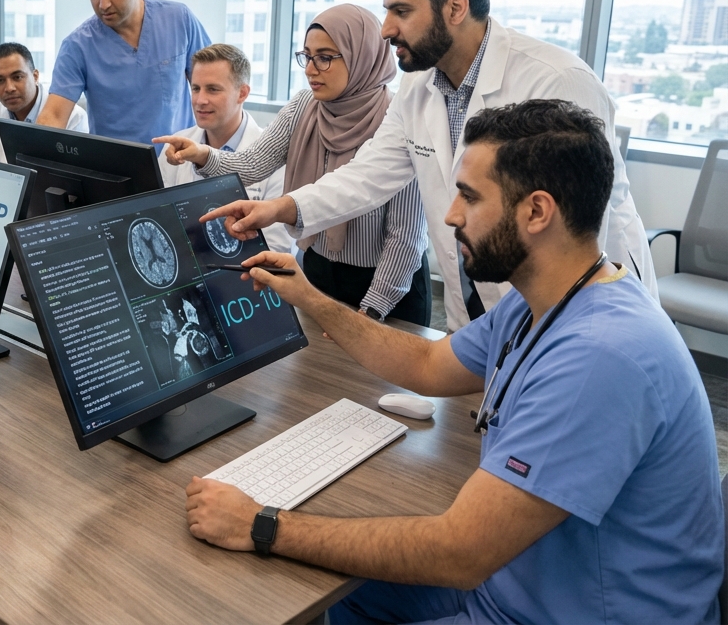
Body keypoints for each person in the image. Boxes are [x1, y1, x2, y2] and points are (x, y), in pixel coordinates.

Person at [185, 100, 722, 624]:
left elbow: (459, 554)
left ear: (537, 211)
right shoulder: (545, 300)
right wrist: (310, 298)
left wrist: (261, 525)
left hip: (568, 610)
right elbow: (428, 363)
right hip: (515, 582)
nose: (450, 215)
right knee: (341, 590)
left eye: (469, 196)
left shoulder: (602, 358)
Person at [201, 0, 655, 331]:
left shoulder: (555, 81)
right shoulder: (419, 87)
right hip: (474, 301)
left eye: (401, 11)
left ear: (455, 7)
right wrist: (277, 208)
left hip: (580, 311)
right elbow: (368, 175)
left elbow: (576, 234)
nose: (386, 29)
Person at [159, 8, 430, 324]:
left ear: (362, 56)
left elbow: (405, 235)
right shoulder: (304, 106)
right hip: (318, 271)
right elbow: (251, 164)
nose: (311, 69)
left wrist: (371, 310)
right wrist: (202, 154)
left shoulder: (397, 118)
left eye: (324, 58)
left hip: (388, 283)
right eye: (307, 57)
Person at [37, 0, 210, 145]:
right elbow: (54, 115)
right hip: (114, 163)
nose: (103, 4)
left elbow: (213, 85)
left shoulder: (179, 20)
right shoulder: (77, 46)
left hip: (179, 158)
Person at [153, 44, 294, 256]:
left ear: (242, 93)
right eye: (196, 88)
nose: (200, 100)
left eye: (213, 89)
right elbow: (161, 222)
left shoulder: (276, 156)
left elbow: (277, 247)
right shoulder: (174, 148)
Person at [0, 42, 87, 163]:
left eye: (17, 77)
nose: (9, 88)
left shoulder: (74, 117)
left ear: (35, 76)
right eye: (0, 80)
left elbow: (74, 172)